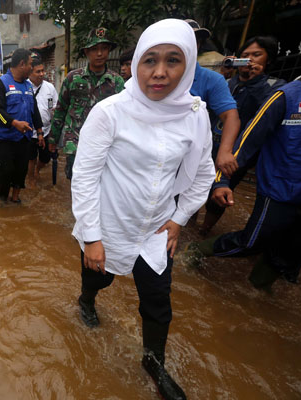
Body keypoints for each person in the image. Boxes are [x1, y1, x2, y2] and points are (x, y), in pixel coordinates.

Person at [72, 19, 215, 399]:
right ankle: (86, 301)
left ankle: (154, 363)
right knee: (97, 277)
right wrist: (91, 237)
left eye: (173, 60)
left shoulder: (195, 115)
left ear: (189, 66)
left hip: (155, 232)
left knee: (157, 302)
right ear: (136, 62)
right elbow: (84, 177)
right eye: (150, 60)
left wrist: (178, 219)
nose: (160, 72)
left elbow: (204, 172)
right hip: (109, 224)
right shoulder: (110, 112)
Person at [182, 76, 301, 289]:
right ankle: (198, 250)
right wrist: (222, 180)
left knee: (289, 252)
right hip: (281, 188)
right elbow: (248, 139)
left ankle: (259, 294)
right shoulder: (285, 97)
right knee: (252, 241)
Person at [200, 35, 287, 235]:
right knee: (194, 185)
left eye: (256, 55)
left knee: (219, 193)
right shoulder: (228, 83)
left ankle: (204, 231)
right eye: (245, 55)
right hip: (211, 143)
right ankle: (187, 222)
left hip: (236, 153)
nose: (250, 60)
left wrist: (255, 81)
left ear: (269, 60)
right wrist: (221, 78)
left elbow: (265, 113)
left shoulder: (275, 87)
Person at [50, 27, 124, 180]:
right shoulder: (72, 79)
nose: (99, 53)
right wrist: (53, 140)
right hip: (75, 144)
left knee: (104, 185)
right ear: (86, 52)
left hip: (103, 144)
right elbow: (61, 110)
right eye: (94, 49)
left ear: (109, 50)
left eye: (104, 49)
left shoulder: (117, 82)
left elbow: (123, 117)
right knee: (78, 185)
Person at [186, 19, 240, 176]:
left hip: (189, 156)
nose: (189, 45)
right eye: (185, 39)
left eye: (195, 40)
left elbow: (230, 116)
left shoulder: (211, 79)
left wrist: (225, 151)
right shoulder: (154, 74)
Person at [0, 48, 44, 204]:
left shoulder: (28, 86)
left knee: (21, 171)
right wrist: (14, 123)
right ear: (22, 64)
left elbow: (34, 110)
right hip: (6, 138)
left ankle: (15, 199)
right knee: (5, 171)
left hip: (25, 138)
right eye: (29, 64)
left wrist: (40, 132)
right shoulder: (1, 83)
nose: (31, 67)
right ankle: (2, 198)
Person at [27, 56, 57, 184]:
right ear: (30, 73)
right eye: (38, 71)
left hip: (46, 130)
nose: (41, 74)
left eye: (42, 71)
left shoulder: (50, 88)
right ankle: (31, 178)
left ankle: (37, 170)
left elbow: (54, 107)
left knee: (45, 158)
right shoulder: (25, 87)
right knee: (31, 158)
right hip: (29, 131)